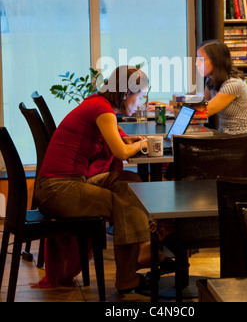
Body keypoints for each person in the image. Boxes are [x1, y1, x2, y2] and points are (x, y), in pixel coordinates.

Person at [35, 66, 170, 294]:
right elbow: (121, 153)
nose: (142, 100)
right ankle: (133, 266)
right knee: (122, 202)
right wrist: (142, 143)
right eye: (141, 95)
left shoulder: (98, 103)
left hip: (70, 182)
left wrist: (131, 140)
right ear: (127, 92)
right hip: (56, 189)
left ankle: (142, 248)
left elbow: (116, 137)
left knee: (129, 182)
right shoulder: (101, 109)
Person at [196, 40, 247, 134]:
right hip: (225, 136)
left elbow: (202, 113)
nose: (196, 63)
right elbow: (202, 104)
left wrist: (170, 109)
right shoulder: (211, 80)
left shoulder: (233, 84)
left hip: (241, 140)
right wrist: (169, 107)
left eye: (201, 59)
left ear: (215, 61)